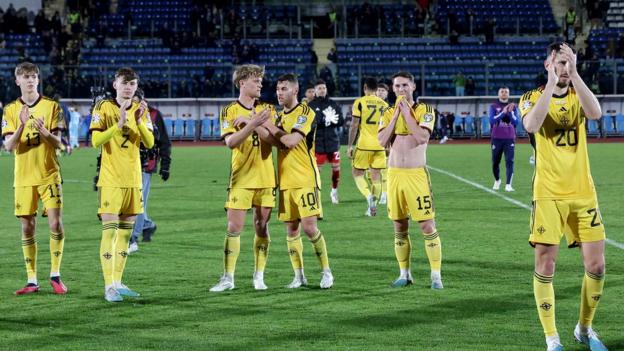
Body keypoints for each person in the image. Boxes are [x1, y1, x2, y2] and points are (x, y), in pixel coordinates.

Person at [520, 43, 607, 351]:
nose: (565, 67)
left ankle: (584, 329)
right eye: (560, 61)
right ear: (548, 64)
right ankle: (552, 338)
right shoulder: (531, 97)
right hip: (548, 194)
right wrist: (551, 84)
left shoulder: (578, 94)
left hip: (583, 191)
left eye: (569, 61)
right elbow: (531, 125)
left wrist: (575, 71)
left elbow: (595, 113)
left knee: (596, 266)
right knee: (546, 265)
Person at [2, 62, 68, 295]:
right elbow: (8, 146)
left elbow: (60, 143)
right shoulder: (10, 109)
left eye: (33, 76)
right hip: (23, 177)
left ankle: (56, 275)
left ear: (38, 80)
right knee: (27, 227)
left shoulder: (52, 107)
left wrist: (46, 133)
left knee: (55, 223)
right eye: (25, 76)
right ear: (17, 81)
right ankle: (32, 280)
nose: (30, 80)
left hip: (49, 174)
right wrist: (21, 125)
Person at [261, 73, 333, 288]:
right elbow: (276, 141)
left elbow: (291, 141)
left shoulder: (305, 112)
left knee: (310, 228)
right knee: (291, 230)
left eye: (283, 89)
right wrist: (253, 124)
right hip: (286, 180)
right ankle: (299, 275)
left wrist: (269, 125)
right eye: (277, 89)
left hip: (305, 178)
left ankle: (326, 272)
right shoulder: (278, 115)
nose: (279, 93)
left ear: (295, 90)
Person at [90, 67, 154, 302]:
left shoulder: (141, 109)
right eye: (124, 82)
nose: (129, 87)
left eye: (133, 83)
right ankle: (108, 286)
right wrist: (118, 125)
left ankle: (118, 280)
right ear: (115, 84)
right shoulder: (103, 107)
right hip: (111, 180)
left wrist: (136, 121)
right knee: (110, 232)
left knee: (126, 235)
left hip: (133, 179)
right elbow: (95, 140)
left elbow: (149, 142)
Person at [210, 64, 276, 292]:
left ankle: (259, 275)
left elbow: (272, 140)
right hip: (241, 179)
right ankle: (228, 278)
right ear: (242, 83)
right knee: (234, 227)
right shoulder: (229, 110)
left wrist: (250, 124)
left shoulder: (268, 108)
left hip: (266, 177)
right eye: (256, 80)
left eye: (260, 80)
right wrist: (254, 125)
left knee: (261, 226)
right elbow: (231, 142)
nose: (260, 84)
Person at [377, 71, 443, 289]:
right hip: (394, 174)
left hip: (416, 175)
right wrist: (395, 116)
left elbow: (422, 137)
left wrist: (406, 114)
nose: (400, 89)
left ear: (413, 87)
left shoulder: (425, 110)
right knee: (399, 225)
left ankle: (435, 276)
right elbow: (381, 141)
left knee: (426, 225)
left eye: (404, 85)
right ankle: (404, 274)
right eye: (396, 86)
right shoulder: (387, 112)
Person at [128, 90, 172, 254]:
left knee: (137, 202)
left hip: (146, 165)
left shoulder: (153, 114)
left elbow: (164, 141)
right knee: (133, 202)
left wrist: (166, 164)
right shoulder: (122, 113)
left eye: (136, 100)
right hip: (124, 165)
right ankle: (147, 225)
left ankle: (132, 238)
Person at [347, 77, 388, 216]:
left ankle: (368, 196)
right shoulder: (384, 104)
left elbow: (353, 126)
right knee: (376, 177)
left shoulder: (359, 102)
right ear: (377, 89)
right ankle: (373, 207)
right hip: (380, 145)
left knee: (357, 173)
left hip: (364, 145)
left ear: (365, 88)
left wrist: (349, 146)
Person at [308, 79, 344, 204]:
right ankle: (315, 193)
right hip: (317, 144)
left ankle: (334, 191)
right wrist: (324, 120)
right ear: (315, 91)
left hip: (333, 142)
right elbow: (310, 124)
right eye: (319, 88)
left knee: (336, 168)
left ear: (326, 89)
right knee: (317, 171)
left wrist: (333, 121)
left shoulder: (333, 104)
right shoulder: (311, 106)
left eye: (323, 88)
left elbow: (341, 121)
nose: (322, 90)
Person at [489, 86, 519, 192]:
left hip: (509, 138)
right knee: (495, 162)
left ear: (509, 94)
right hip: (496, 138)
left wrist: (510, 112)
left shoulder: (513, 107)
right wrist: (503, 112)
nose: (504, 93)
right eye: (502, 92)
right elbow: (492, 120)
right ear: (498, 94)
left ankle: (508, 185)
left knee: (509, 161)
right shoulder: (493, 106)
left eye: (506, 92)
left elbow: (516, 122)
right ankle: (497, 180)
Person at [376, 82, 390, 204]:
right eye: (378, 90)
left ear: (387, 93)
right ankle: (376, 192)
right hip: (369, 144)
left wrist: (388, 144)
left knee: (384, 170)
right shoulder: (367, 105)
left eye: (383, 91)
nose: (380, 92)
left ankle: (384, 194)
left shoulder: (388, 108)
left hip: (382, 142)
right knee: (371, 173)